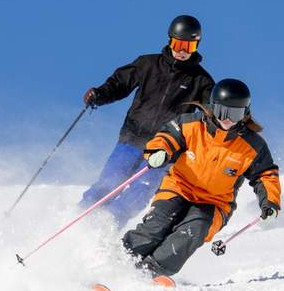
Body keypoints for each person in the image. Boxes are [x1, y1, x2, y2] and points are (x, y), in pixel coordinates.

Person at [122, 78, 281, 283]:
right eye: (223, 112)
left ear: (245, 113)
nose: (228, 119)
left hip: (215, 203)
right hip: (178, 187)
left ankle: (150, 272)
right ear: (212, 107)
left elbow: (266, 175)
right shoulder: (191, 124)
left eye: (235, 114)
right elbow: (167, 136)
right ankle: (122, 260)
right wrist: (160, 151)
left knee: (192, 231)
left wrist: (270, 202)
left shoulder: (252, 145)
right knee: (158, 223)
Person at [80, 15, 215, 224]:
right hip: (132, 139)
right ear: (170, 40)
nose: (182, 51)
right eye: (178, 44)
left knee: (139, 193)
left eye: (188, 46)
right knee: (108, 183)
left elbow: (209, 119)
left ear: (196, 45)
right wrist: (99, 94)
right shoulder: (147, 64)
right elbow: (119, 84)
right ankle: (80, 217)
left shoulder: (202, 82)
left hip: (165, 149)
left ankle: (107, 226)